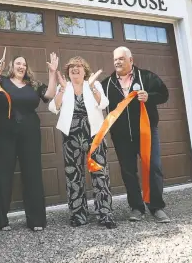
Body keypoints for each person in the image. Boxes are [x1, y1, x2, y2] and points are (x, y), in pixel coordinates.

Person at [0, 53, 58, 231]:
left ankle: (36, 220)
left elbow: (49, 94)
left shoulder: (33, 84)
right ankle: (2, 220)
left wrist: (52, 72)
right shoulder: (2, 81)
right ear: (11, 66)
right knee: (3, 174)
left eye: (24, 64)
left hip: (29, 133)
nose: (21, 67)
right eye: (18, 63)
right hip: (3, 133)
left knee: (32, 174)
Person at [101, 46, 171, 223]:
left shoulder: (146, 77)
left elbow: (164, 94)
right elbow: (97, 102)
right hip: (121, 136)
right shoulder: (107, 84)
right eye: (115, 59)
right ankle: (136, 207)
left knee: (153, 167)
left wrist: (150, 97)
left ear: (131, 60)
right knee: (128, 171)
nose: (117, 62)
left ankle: (156, 207)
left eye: (121, 59)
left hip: (146, 132)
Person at [49, 56, 117, 229]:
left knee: (100, 174)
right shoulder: (64, 86)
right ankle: (78, 215)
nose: (75, 68)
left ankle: (105, 214)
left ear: (85, 70)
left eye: (79, 66)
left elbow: (103, 103)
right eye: (71, 66)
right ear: (68, 72)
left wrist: (93, 86)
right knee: (74, 176)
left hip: (94, 134)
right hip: (71, 138)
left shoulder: (92, 84)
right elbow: (53, 108)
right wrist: (62, 90)